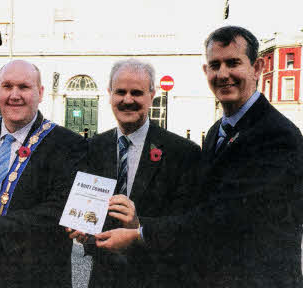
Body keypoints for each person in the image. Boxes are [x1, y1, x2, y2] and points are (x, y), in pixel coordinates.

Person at [96, 26, 303, 287]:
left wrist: (140, 231)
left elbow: (227, 217)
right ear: (206, 71)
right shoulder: (219, 129)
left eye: (233, 63)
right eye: (215, 65)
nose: (223, 74)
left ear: (258, 67)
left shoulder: (276, 135)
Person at [0, 60, 87, 288]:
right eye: (7, 86)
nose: (14, 95)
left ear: (40, 93)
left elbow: (61, 208)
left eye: (24, 87)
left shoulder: (68, 144)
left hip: (34, 274)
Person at [69, 59, 201, 288]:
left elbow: (188, 224)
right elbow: (89, 207)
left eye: (136, 92)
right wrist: (84, 231)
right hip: (103, 278)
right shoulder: (93, 147)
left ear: (152, 95)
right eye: (120, 92)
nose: (127, 100)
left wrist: (138, 226)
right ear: (109, 94)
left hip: (158, 277)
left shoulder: (183, 153)